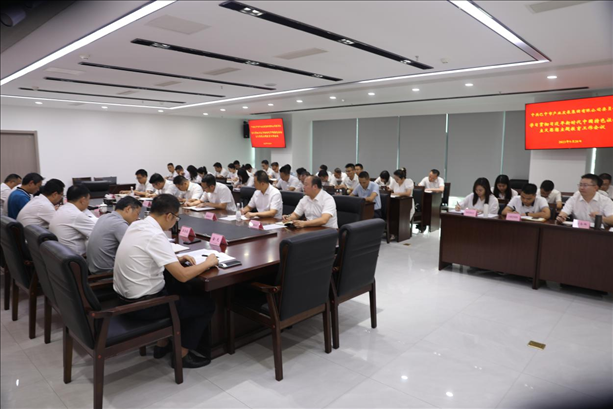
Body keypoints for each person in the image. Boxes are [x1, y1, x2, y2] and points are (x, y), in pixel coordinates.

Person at [113, 194, 217, 368]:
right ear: (169, 216)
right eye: (176, 217)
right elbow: (182, 275)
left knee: (177, 287)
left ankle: (162, 345)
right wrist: (208, 263)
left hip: (124, 299)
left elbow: (148, 254)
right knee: (205, 305)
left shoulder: (137, 225)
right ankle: (181, 355)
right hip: (144, 306)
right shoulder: (155, 235)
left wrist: (175, 259)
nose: (175, 221)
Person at [86, 196, 142, 274]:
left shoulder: (104, 217)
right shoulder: (119, 224)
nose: (137, 218)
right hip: (106, 274)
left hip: (92, 269)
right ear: (128, 209)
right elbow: (136, 249)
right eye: (137, 214)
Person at [49, 184, 97, 255]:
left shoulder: (62, 209)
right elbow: (98, 234)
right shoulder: (76, 215)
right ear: (83, 200)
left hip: (59, 254)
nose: (88, 202)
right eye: (88, 199)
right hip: (75, 257)